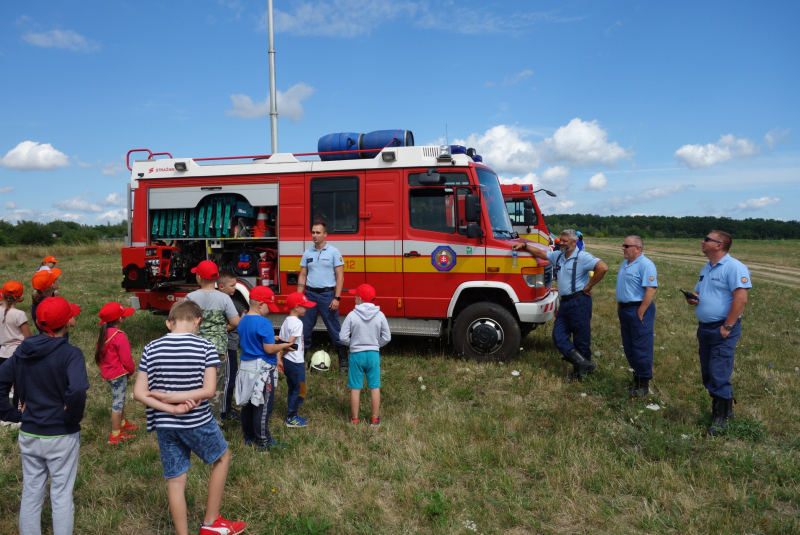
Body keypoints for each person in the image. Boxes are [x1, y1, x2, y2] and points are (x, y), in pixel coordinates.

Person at [133, 299, 246, 535]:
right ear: (198, 321)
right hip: (197, 421)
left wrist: (169, 405)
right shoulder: (205, 347)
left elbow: (139, 393)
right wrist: (178, 400)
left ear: (168, 323)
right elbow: (208, 391)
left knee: (175, 480)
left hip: (165, 424)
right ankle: (211, 523)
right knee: (223, 457)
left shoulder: (150, 348)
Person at [0, 297, 89, 535]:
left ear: (38, 322)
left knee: (31, 492)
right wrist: (72, 417)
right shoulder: (71, 354)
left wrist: (11, 413)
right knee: (60, 495)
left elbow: (1, 379)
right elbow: (78, 389)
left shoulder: (22, 351)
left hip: (29, 433)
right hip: (61, 435)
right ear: (67, 323)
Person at [513, 229, 608, 379]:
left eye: (565, 241)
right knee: (558, 336)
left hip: (579, 301)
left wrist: (589, 286)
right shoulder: (559, 256)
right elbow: (540, 253)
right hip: (565, 303)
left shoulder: (582, 257)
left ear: (574, 242)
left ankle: (580, 373)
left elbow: (602, 267)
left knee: (581, 339)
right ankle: (583, 364)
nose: (561, 243)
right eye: (561, 240)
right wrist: (524, 246)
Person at [685, 230, 751, 436]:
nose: (702, 241)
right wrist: (694, 297)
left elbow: (740, 299)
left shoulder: (734, 267)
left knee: (718, 372)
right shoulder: (707, 267)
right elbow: (700, 291)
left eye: (706, 239)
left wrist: (728, 327)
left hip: (723, 328)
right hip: (705, 328)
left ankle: (720, 419)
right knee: (708, 372)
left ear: (719, 245)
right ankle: (727, 410)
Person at [234, 287, 293, 449]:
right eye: (269, 307)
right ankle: (264, 441)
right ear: (260, 305)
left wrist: (269, 339)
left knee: (247, 403)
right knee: (263, 405)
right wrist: (283, 346)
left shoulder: (243, 319)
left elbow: (251, 337)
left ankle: (249, 437)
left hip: (245, 367)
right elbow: (268, 349)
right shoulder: (264, 323)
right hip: (262, 370)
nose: (270, 311)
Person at [185, 260, 240, 422]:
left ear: (199, 278)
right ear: (216, 279)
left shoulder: (190, 297)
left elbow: (181, 321)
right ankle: (214, 421)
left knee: (195, 383)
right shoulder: (223, 298)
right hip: (217, 349)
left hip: (194, 348)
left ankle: (193, 416)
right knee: (215, 386)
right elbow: (235, 322)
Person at [297, 221, 347, 373]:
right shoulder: (307, 253)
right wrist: (299, 299)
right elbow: (303, 275)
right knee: (304, 330)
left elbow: (340, 277)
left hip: (327, 295)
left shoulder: (334, 252)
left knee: (334, 330)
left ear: (325, 234)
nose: (314, 235)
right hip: (310, 295)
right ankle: (300, 361)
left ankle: (344, 361)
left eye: (318, 232)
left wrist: (336, 298)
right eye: (313, 232)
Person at [339, 284, 390, 425]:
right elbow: (387, 337)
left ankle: (355, 419)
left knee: (356, 387)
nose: (354, 298)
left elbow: (343, 337)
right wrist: (375, 345)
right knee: (374, 386)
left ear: (360, 299)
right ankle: (375, 418)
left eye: (355, 296)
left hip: (356, 355)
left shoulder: (351, 315)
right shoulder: (380, 315)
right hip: (373, 355)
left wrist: (353, 344)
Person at [616, 236, 658, 396]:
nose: (623, 248)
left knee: (641, 347)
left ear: (638, 248)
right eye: (623, 245)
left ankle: (643, 383)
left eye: (626, 246)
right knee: (629, 346)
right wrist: (620, 304)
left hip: (639, 309)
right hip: (625, 310)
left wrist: (641, 311)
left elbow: (651, 289)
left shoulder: (646, 265)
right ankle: (637, 376)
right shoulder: (625, 264)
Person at [95, 302, 138, 445]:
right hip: (118, 375)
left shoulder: (104, 333)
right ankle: (115, 435)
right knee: (117, 404)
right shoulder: (119, 336)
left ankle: (122, 423)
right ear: (120, 320)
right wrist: (131, 370)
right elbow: (127, 359)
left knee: (120, 399)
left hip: (109, 374)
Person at [280, 292, 316, 428]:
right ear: (296, 307)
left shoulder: (286, 321)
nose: (306, 309)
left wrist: (281, 357)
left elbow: (281, 342)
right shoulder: (298, 323)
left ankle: (291, 412)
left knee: (292, 388)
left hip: (289, 362)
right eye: (304, 306)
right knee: (300, 389)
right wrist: (282, 353)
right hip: (295, 362)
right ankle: (291, 417)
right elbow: (289, 344)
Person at [217, 270, 246, 422]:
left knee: (231, 377)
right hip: (227, 345)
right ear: (221, 287)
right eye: (232, 285)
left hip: (232, 344)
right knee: (228, 378)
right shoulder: (222, 302)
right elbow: (222, 327)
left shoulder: (228, 300)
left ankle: (227, 407)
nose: (235, 288)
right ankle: (223, 412)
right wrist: (240, 320)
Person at [1, 281, 32, 365]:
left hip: (1, 353)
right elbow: (28, 337)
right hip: (17, 353)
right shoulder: (19, 314)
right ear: (21, 297)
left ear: (2, 295)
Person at [31, 268, 62, 335]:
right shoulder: (51, 306)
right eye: (56, 279)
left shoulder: (37, 300)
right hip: (56, 339)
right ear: (53, 285)